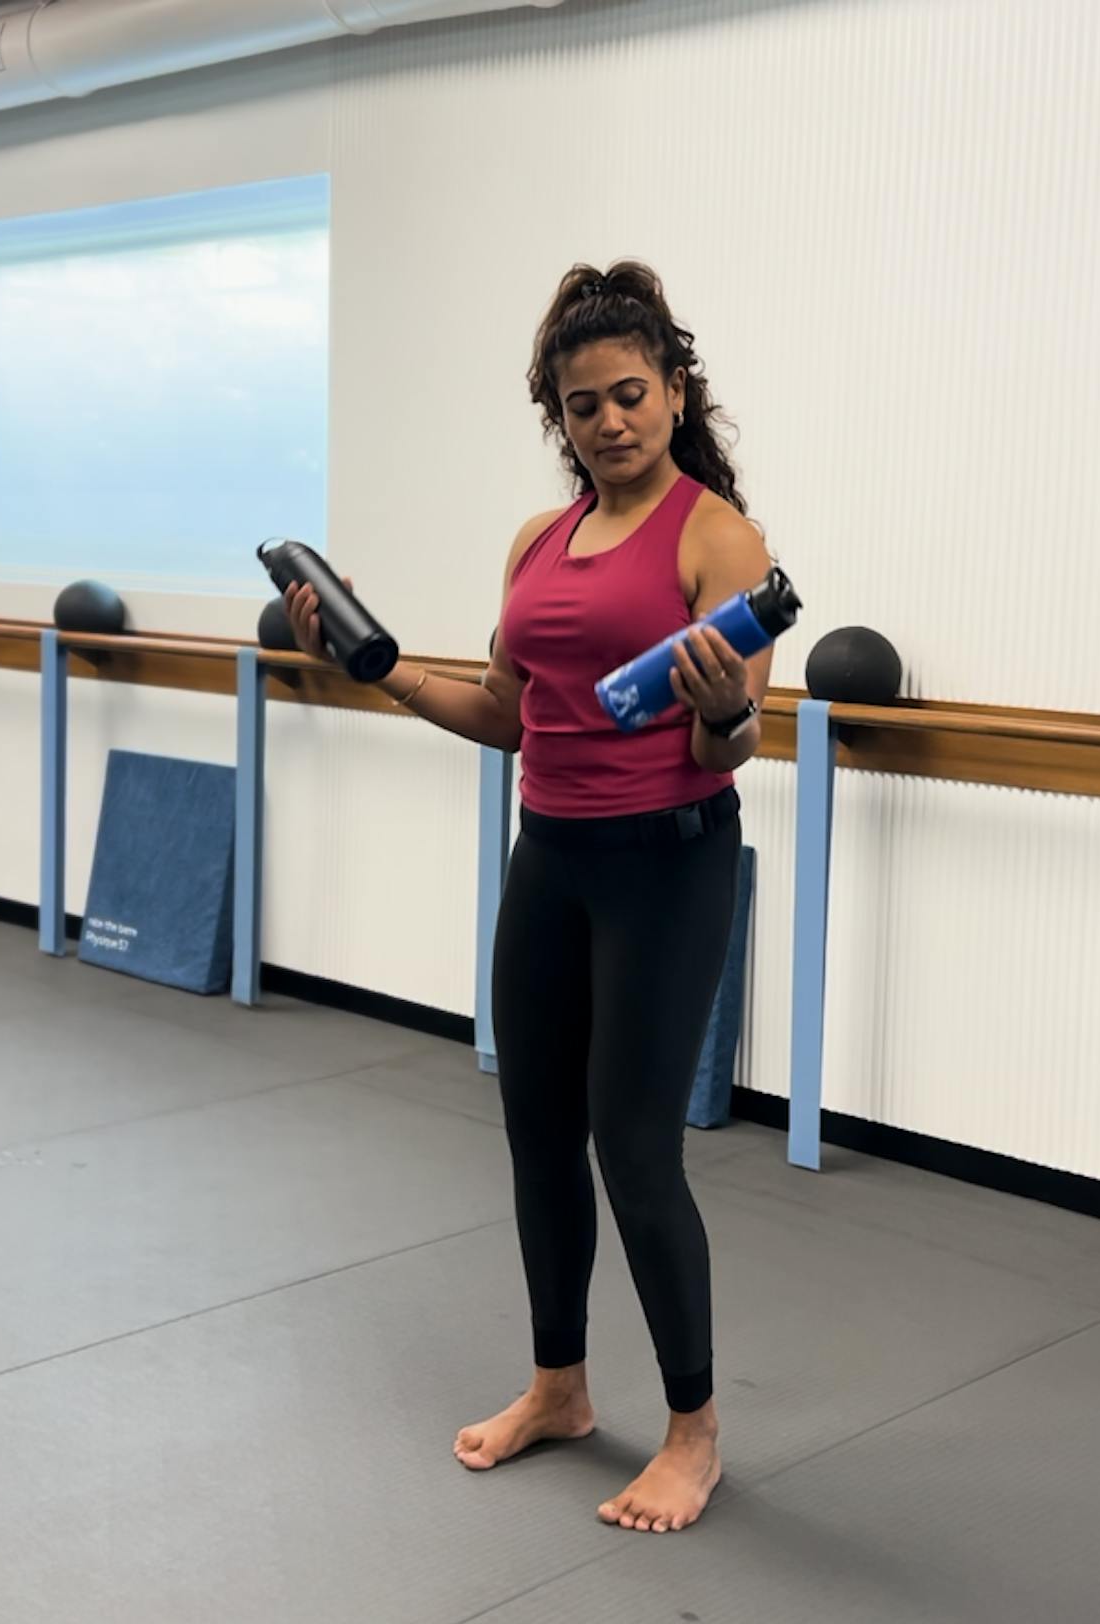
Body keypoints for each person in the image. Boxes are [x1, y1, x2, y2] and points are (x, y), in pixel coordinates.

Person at [279, 261, 771, 1535]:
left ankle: (693, 1431)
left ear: (672, 390)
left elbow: (732, 745)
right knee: (536, 1131)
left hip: (667, 860)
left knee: (636, 1147)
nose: (610, 421)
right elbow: (505, 713)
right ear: (559, 417)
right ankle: (559, 1384)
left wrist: (724, 711)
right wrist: (372, 665)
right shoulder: (538, 543)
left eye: (629, 394)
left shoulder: (717, 535)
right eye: (583, 404)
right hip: (548, 858)